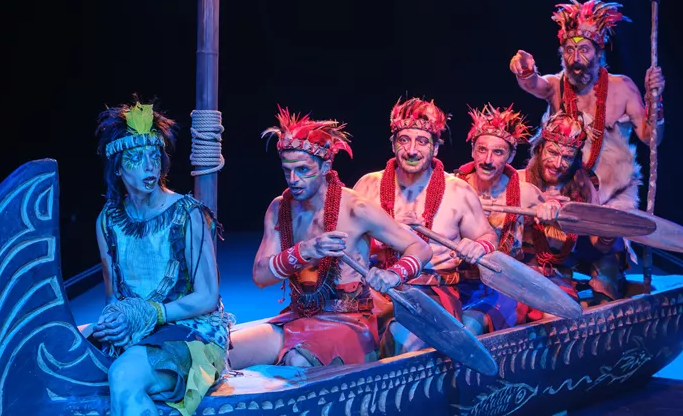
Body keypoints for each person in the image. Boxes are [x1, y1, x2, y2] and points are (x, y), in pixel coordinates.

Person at [228, 106, 432, 369]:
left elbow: (420, 247)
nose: (294, 179)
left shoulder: (356, 208)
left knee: (296, 360)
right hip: (299, 317)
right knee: (226, 352)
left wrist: (394, 274)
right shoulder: (279, 208)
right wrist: (305, 251)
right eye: (287, 170)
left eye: (303, 169)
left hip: (349, 322)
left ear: (326, 166)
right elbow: (261, 276)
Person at [509, 0, 666, 300]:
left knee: (605, 265)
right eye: (569, 50)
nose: (575, 58)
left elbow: (650, 138)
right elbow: (535, 84)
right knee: (546, 258)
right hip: (563, 191)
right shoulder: (557, 86)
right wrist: (524, 71)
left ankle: (607, 280)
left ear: (599, 52)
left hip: (609, 195)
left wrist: (654, 100)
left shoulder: (622, 87)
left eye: (584, 50)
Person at [92, 99, 231, 416]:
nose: (149, 166)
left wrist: (153, 313)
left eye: (154, 155)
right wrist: (112, 321)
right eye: (136, 157)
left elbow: (208, 297)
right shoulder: (107, 221)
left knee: (124, 375)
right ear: (118, 168)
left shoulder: (187, 214)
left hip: (191, 331)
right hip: (137, 330)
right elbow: (113, 296)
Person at [353, 97, 497, 352]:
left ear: (436, 148)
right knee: (347, 341)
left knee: (401, 339)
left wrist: (479, 247)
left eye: (421, 141)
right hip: (374, 291)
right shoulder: (368, 185)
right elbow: (348, 239)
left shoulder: (458, 191)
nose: (411, 150)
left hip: (432, 293)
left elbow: (488, 236)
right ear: (393, 144)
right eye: (404, 140)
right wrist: (386, 234)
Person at [454, 103, 561, 326]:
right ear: (472, 150)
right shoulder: (453, 188)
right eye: (482, 150)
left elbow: (557, 233)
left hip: (504, 286)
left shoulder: (526, 193)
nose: (487, 160)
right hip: (456, 282)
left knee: (470, 325)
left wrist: (551, 209)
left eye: (498, 152)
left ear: (511, 156)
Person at [518, 111, 623, 318]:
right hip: (521, 273)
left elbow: (599, 245)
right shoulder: (518, 181)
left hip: (560, 274)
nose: (558, 164)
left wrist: (608, 233)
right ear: (539, 148)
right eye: (552, 152)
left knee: (578, 308)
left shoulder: (583, 187)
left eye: (567, 157)